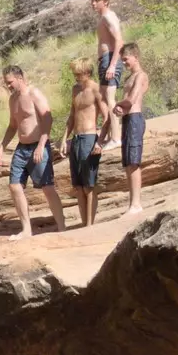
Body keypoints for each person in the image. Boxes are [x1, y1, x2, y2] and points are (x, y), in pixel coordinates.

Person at [0, 65, 66, 240]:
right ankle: (26, 229)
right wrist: (2, 146)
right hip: (22, 147)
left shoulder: (34, 93)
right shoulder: (13, 100)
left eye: (10, 83)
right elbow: (13, 125)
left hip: (38, 146)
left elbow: (48, 118)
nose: (8, 86)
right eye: (6, 84)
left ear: (19, 77)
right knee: (14, 185)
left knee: (47, 187)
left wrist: (42, 144)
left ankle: (62, 226)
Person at [64, 58, 112, 228]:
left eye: (78, 74)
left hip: (90, 137)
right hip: (76, 139)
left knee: (88, 186)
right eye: (74, 74)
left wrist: (100, 142)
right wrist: (64, 139)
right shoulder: (75, 89)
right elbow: (72, 116)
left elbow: (107, 117)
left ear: (87, 72)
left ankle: (90, 225)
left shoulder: (95, 89)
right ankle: (83, 223)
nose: (76, 77)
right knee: (78, 186)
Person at [114, 41, 151, 217]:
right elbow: (126, 102)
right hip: (128, 119)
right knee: (128, 163)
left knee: (134, 162)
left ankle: (136, 204)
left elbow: (131, 99)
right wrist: (120, 108)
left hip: (135, 119)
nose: (124, 63)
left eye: (126, 59)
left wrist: (116, 105)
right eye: (122, 60)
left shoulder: (140, 76)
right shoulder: (129, 78)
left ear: (135, 57)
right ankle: (132, 204)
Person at [90, 0, 125, 122]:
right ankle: (110, 135)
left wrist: (112, 65)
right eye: (92, 1)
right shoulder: (104, 17)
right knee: (104, 99)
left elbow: (119, 41)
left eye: (96, 1)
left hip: (110, 58)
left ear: (105, 1)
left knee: (110, 99)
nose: (93, 3)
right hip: (105, 60)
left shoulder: (108, 16)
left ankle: (115, 137)